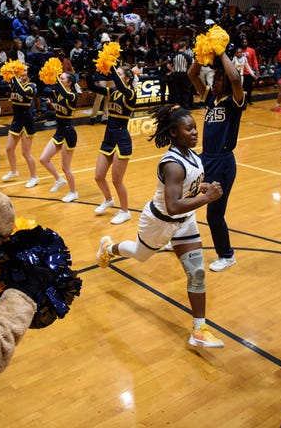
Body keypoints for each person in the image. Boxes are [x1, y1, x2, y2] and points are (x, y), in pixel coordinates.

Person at [95, 104, 225, 347]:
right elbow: (173, 205)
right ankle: (109, 248)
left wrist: (202, 187)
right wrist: (206, 199)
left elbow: (188, 188)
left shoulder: (193, 156)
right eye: (189, 129)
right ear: (174, 133)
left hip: (184, 221)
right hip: (158, 222)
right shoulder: (172, 164)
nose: (195, 132)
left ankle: (199, 330)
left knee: (197, 272)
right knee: (140, 254)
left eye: (195, 127)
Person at [188, 46, 245, 272]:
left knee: (214, 214)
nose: (215, 82)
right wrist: (201, 55)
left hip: (223, 162)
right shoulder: (210, 99)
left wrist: (221, 53)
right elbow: (192, 74)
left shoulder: (235, 102)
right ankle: (182, 240)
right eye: (214, 78)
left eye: (219, 79)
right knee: (184, 198)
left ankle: (226, 255)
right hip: (204, 158)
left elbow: (236, 79)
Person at [88, 65, 137, 225]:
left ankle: (125, 211)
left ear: (127, 78)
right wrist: (90, 71)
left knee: (117, 180)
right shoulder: (113, 92)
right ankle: (108, 199)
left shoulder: (130, 94)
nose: (115, 76)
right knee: (98, 176)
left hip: (122, 140)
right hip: (108, 138)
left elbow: (121, 85)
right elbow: (92, 87)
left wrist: (112, 67)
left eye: (119, 74)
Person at [39, 72, 80, 203]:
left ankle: (73, 192)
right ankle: (59, 179)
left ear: (69, 83)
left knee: (65, 167)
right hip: (59, 131)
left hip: (69, 133)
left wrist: (55, 75)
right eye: (60, 78)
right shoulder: (60, 94)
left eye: (62, 79)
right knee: (43, 159)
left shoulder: (73, 96)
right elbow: (45, 91)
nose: (59, 80)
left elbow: (66, 95)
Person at [1, 65, 39, 188]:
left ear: (29, 73)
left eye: (25, 70)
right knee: (9, 149)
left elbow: (23, 92)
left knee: (25, 153)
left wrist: (14, 77)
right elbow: (1, 87)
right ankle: (13, 171)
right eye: (20, 70)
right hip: (16, 120)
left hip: (27, 122)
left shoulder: (32, 86)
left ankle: (34, 177)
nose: (22, 72)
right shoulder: (14, 84)